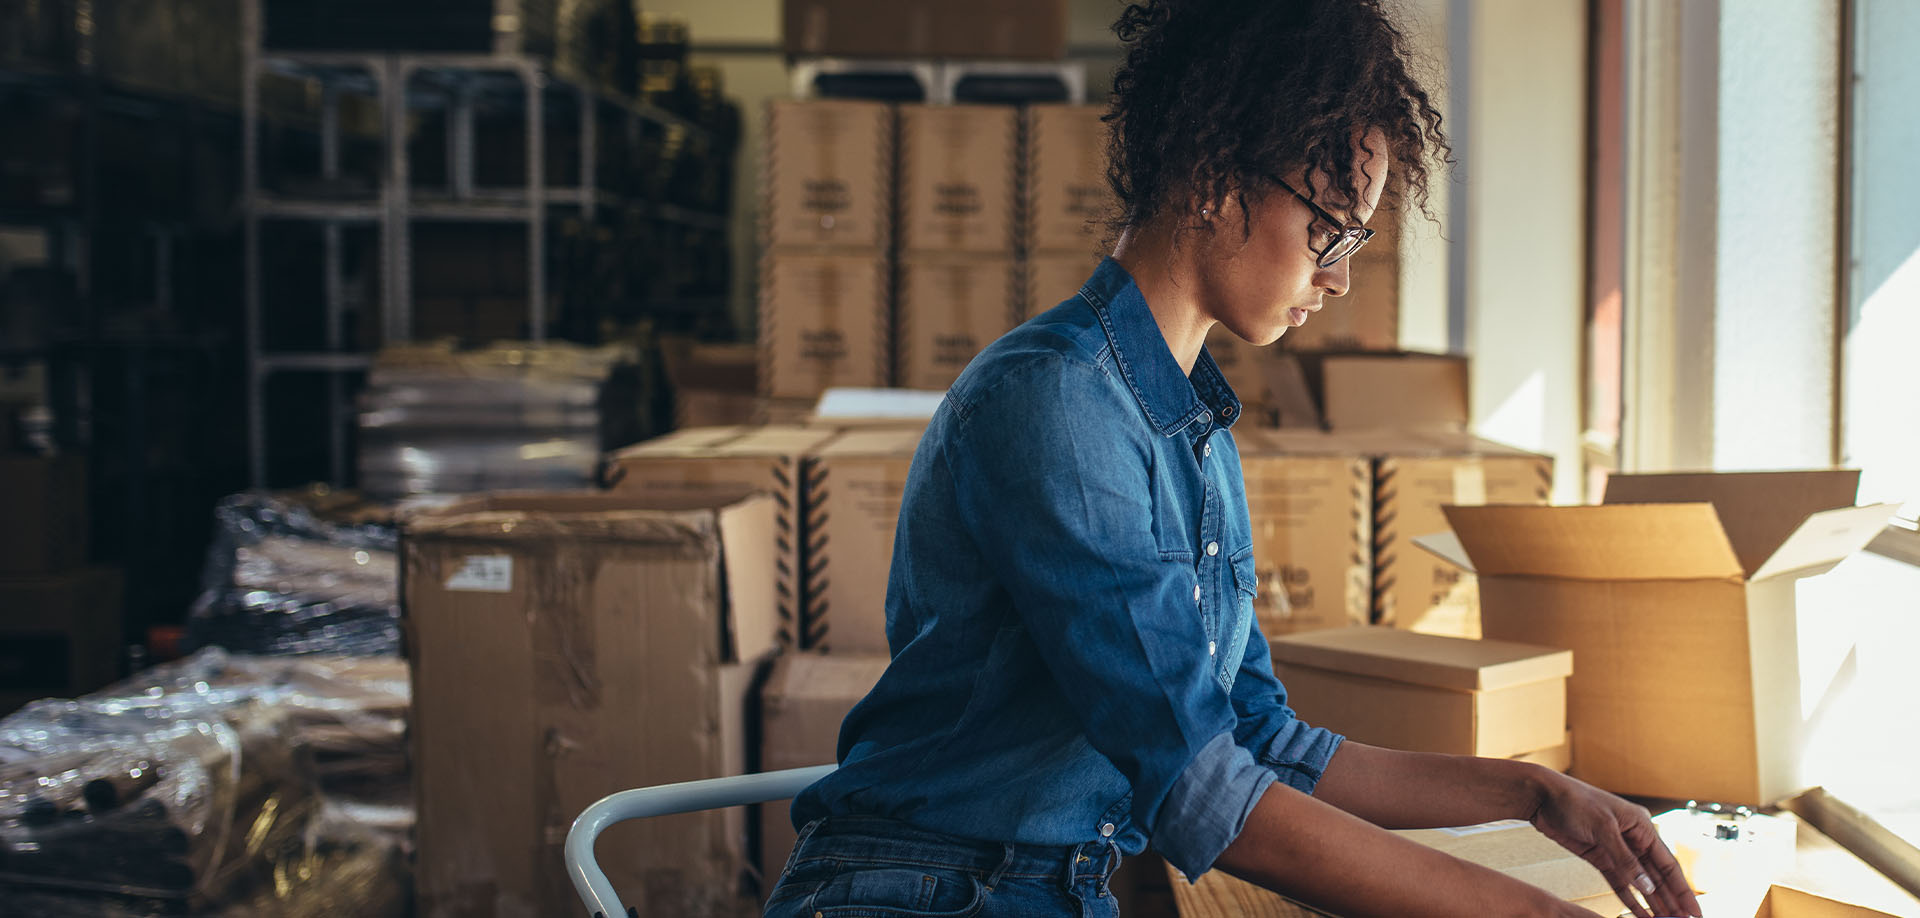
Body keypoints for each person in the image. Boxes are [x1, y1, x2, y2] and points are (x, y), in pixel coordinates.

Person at [765, 1, 1703, 916]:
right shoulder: (1056, 406)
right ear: (1216, 179)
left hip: (1047, 887)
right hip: (921, 888)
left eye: (1356, 240)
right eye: (1329, 229)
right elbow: (1200, 792)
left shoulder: (1195, 430)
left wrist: (1535, 796)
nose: (1337, 275)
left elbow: (1260, 739)